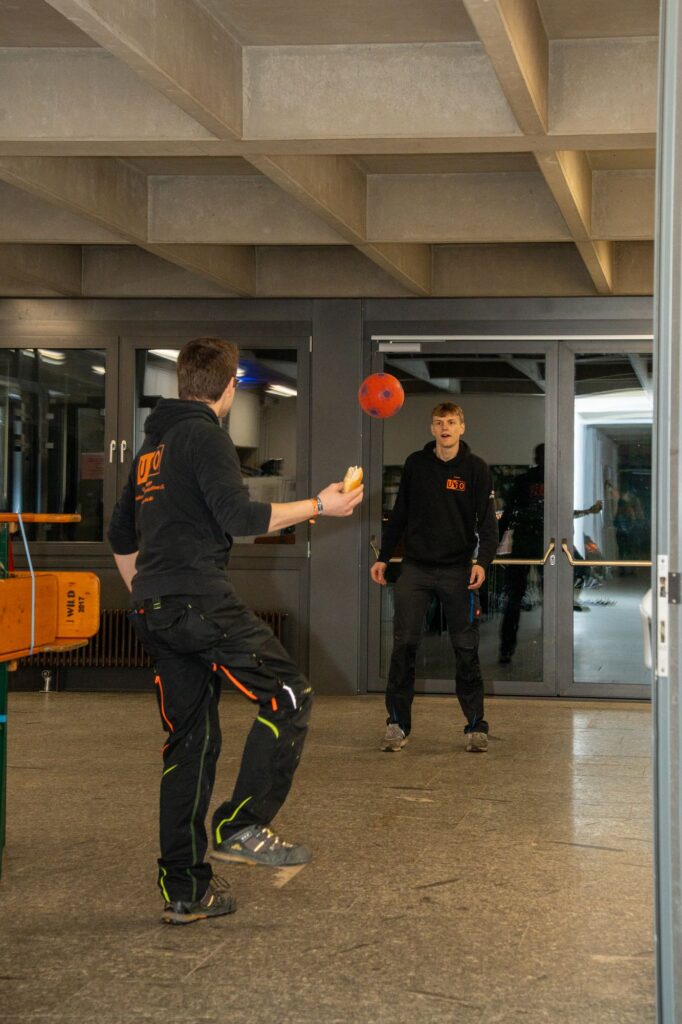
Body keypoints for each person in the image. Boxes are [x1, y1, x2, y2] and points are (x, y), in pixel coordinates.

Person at [108, 337, 363, 926]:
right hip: (199, 601)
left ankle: (184, 890)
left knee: (189, 744)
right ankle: (241, 825)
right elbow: (240, 517)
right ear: (230, 388)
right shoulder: (206, 436)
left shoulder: (151, 448)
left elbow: (120, 535)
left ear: (183, 382)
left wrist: (147, 594)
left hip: (157, 611)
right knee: (290, 693)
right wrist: (320, 505)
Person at [371, 402, 498, 754]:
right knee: (403, 647)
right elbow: (399, 515)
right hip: (416, 568)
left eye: (452, 422)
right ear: (432, 429)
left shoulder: (476, 469)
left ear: (462, 427)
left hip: (458, 571)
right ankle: (397, 725)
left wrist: (482, 563)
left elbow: (488, 525)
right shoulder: (416, 464)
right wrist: (383, 557)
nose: (445, 428)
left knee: (466, 649)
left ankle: (476, 726)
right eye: (439, 422)